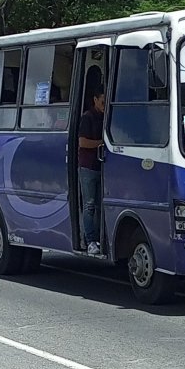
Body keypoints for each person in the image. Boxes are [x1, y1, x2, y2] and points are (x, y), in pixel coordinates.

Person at [78, 84, 105, 255]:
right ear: (95, 100)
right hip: (88, 167)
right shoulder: (88, 117)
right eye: (102, 101)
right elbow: (82, 142)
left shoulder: (108, 116)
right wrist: (102, 143)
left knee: (101, 205)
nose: (104, 105)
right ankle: (90, 241)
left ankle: (101, 239)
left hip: (103, 166)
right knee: (89, 206)